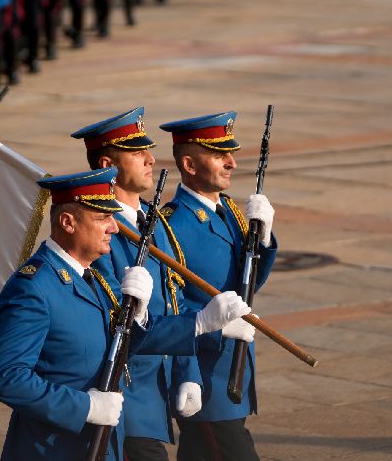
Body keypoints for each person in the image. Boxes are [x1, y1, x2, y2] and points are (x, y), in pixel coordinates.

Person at [0, 167, 250, 461]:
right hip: (53, 449)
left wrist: (199, 323)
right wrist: (84, 407)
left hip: (106, 444)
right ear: (68, 222)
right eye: (102, 218)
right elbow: (6, 378)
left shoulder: (94, 278)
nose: (113, 227)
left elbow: (126, 339)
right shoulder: (33, 288)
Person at [73, 108, 256, 461]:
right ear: (108, 165)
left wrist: (188, 371)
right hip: (125, 391)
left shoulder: (152, 220)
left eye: (147, 150)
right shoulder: (100, 231)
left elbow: (174, 300)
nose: (150, 159)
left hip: (155, 391)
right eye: (136, 153)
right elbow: (114, 323)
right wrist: (205, 326)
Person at [157, 111, 278, 461]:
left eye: (231, 154)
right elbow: (170, 308)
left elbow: (248, 284)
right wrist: (217, 331)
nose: (232, 163)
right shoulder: (173, 225)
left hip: (231, 372)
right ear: (189, 165)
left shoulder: (228, 211)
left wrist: (264, 240)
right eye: (218, 155)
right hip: (205, 375)